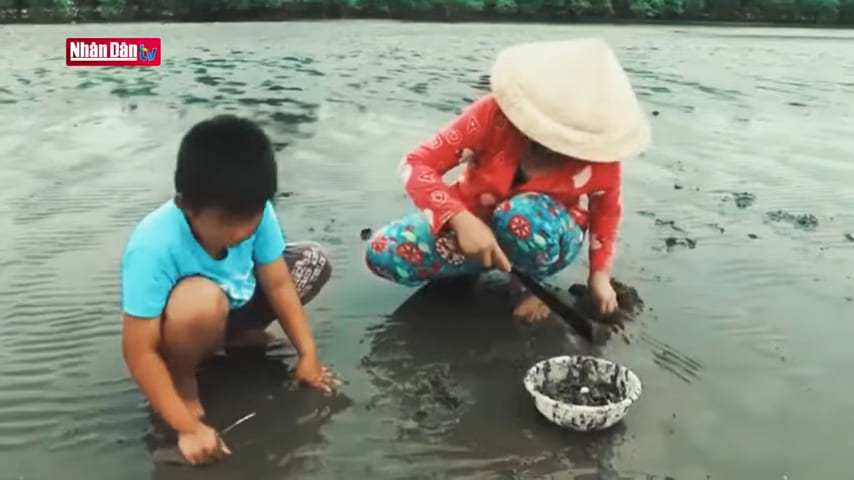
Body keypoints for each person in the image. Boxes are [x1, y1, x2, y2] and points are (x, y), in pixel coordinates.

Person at [364, 37, 651, 322]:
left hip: (543, 235)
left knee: (522, 217)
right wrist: (459, 219)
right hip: (473, 220)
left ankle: (528, 286)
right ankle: (467, 265)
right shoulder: (493, 116)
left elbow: (606, 212)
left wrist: (599, 276)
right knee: (382, 252)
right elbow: (416, 164)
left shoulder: (601, 157)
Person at [120, 114, 336, 466]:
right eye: (227, 222)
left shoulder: (259, 212)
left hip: (236, 299)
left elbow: (278, 282)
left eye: (250, 218)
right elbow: (137, 350)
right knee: (200, 302)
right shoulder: (152, 244)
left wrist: (307, 353)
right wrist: (186, 426)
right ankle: (184, 375)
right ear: (185, 205)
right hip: (182, 321)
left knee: (315, 260)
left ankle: (235, 336)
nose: (240, 233)